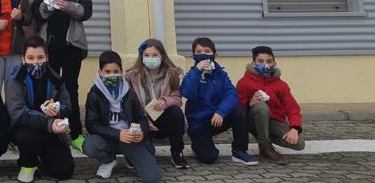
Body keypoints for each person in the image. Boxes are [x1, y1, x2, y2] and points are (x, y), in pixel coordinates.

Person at [31, 0, 92, 150]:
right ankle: (53, 130)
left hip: (72, 45)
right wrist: (47, 6)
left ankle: (75, 133)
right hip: (50, 46)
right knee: (51, 90)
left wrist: (70, 7)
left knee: (71, 88)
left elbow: (87, 11)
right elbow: (37, 14)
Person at [82, 51, 160, 182]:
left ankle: (131, 158)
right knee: (89, 145)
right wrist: (118, 134)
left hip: (130, 140)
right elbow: (92, 125)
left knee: (153, 178)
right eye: (107, 72)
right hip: (108, 139)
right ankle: (109, 161)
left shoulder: (129, 93)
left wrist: (141, 131)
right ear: (100, 72)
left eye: (116, 71)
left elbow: (142, 118)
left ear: (121, 71)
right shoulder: (94, 94)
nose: (112, 75)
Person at [5, 36, 74, 183]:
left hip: (51, 129)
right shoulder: (14, 79)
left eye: (40, 57)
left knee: (64, 171)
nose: (36, 62)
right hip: (25, 128)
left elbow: (68, 106)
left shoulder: (56, 78)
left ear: (47, 57)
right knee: (28, 137)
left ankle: (41, 157)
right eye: (31, 58)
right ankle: (28, 164)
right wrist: (49, 123)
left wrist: (58, 110)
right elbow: (17, 113)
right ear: (23, 59)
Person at [180, 37, 258, 165]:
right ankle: (198, 144)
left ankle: (239, 151)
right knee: (209, 158)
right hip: (199, 124)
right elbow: (187, 92)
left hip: (216, 119)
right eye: (198, 52)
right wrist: (197, 71)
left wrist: (221, 112)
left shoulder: (221, 74)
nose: (203, 54)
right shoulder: (192, 74)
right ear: (193, 56)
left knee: (239, 110)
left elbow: (232, 94)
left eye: (207, 51)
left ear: (215, 55)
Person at [126, 38, 188, 169]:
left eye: (154, 55)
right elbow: (129, 104)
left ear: (162, 56)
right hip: (141, 120)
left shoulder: (172, 74)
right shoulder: (132, 76)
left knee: (176, 113)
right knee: (131, 118)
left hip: (163, 119)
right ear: (141, 57)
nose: (150, 58)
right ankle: (135, 153)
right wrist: (144, 119)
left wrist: (165, 101)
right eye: (147, 55)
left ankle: (177, 152)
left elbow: (177, 99)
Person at [236, 45, 305, 162]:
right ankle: (265, 147)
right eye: (260, 61)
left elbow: (292, 108)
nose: (265, 65)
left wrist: (295, 129)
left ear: (274, 63)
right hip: (252, 120)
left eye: (269, 61)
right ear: (253, 63)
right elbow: (236, 107)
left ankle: (264, 135)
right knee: (261, 106)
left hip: (274, 121)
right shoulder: (244, 82)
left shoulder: (281, 85)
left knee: (299, 144)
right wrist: (249, 103)